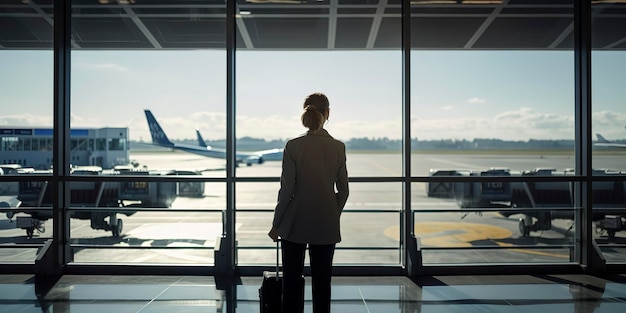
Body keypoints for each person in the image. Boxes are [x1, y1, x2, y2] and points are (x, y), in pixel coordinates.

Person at [268, 92, 349, 313]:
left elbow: (286, 190)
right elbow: (343, 190)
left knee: (291, 284)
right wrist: (332, 211)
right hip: (325, 221)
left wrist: (277, 224)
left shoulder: (293, 146)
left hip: (295, 222)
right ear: (328, 113)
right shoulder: (338, 147)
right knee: (323, 284)